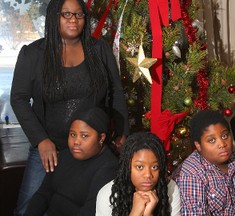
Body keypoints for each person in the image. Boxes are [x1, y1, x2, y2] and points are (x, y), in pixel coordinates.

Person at [10, 0, 129, 215]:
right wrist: (41, 140)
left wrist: (122, 131)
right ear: (54, 16)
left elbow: (115, 92)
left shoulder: (98, 49)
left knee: (85, 207)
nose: (73, 20)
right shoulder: (34, 54)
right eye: (66, 14)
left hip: (92, 149)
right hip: (50, 148)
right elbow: (18, 99)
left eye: (79, 14)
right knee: (28, 208)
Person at [172, 110, 235, 216]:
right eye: (212, 140)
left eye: (225, 136)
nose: (222, 144)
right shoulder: (191, 174)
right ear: (198, 145)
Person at [24, 107, 118, 216]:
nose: (76, 141)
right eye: (73, 134)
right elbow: (43, 194)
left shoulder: (109, 168)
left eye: (84, 136)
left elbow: (89, 211)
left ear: (101, 138)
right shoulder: (64, 155)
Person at [96, 131, 181, 216]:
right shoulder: (107, 194)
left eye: (154, 167)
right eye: (140, 167)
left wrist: (149, 213)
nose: (148, 175)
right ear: (127, 167)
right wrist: (135, 213)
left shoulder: (170, 189)